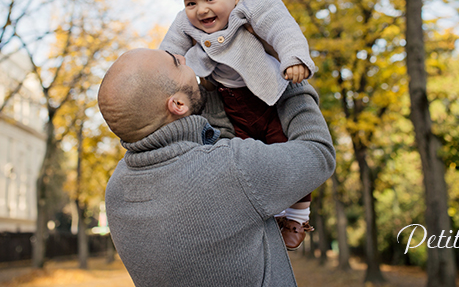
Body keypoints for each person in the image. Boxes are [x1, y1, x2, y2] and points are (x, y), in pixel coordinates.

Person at [100, 48, 335, 287]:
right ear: (178, 104)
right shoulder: (230, 169)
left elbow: (210, 141)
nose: (183, 56)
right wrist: (286, 72)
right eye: (176, 63)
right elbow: (318, 153)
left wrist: (212, 86)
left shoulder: (116, 192)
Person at [159, 0, 317, 249]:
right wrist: (159, 82)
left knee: (289, 150)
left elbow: (282, 28)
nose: (200, 10)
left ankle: (298, 215)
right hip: (229, 103)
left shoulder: (257, 4)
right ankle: (262, 216)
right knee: (241, 158)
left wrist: (293, 57)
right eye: (190, 2)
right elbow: (168, 53)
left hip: (269, 96)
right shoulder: (185, 22)